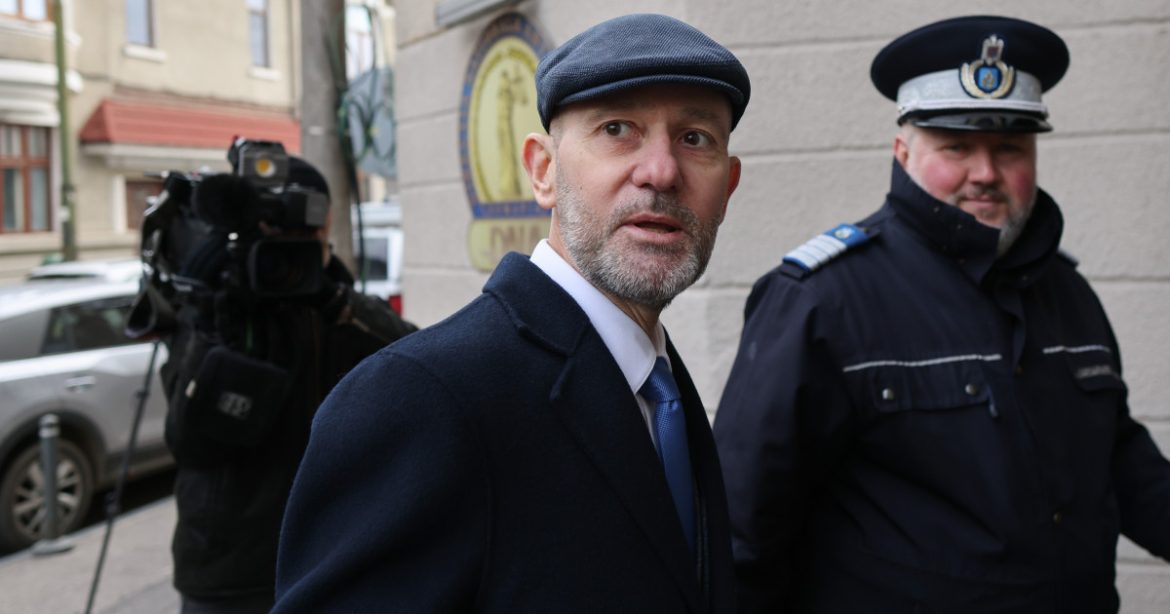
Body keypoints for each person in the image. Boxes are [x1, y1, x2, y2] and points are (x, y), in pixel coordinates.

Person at [273, 13, 749, 612]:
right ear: (544, 171)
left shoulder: (661, 387)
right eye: (617, 129)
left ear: (727, 187)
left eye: (695, 138)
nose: (661, 171)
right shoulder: (417, 399)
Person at [713, 15, 1170, 613]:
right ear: (903, 153)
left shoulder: (1067, 292)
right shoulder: (822, 299)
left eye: (1009, 148)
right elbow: (743, 528)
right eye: (956, 146)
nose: (985, 173)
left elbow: (1119, 459)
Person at [159, 155, 417, 613]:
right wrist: (209, 313)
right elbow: (188, 440)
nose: (292, 246)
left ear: (327, 225)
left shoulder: (339, 305)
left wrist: (337, 303)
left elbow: (416, 366)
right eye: (277, 231)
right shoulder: (218, 305)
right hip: (230, 572)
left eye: (306, 229)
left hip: (331, 555)